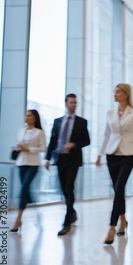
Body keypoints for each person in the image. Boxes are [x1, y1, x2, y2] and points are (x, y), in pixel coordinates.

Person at [96, 84, 133, 245]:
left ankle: (112, 226)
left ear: (125, 94)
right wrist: (99, 154)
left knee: (118, 188)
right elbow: (107, 134)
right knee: (118, 190)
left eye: (117, 92)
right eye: (114, 91)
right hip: (112, 154)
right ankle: (123, 220)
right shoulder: (110, 113)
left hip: (128, 154)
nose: (114, 94)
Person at [45, 94, 90, 236]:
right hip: (60, 159)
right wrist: (47, 159)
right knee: (64, 189)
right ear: (66, 104)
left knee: (69, 186)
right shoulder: (57, 121)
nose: (73, 105)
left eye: (75, 102)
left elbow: (87, 140)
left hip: (73, 159)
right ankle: (72, 212)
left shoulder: (81, 122)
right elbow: (52, 141)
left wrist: (74, 145)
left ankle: (66, 222)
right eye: (71, 102)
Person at [11, 109, 47, 232]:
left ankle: (18, 218)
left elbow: (43, 148)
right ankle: (34, 207)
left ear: (34, 118)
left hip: (33, 164)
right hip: (21, 162)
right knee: (25, 190)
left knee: (24, 187)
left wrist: (29, 149)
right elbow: (19, 144)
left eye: (29, 115)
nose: (27, 117)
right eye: (26, 115)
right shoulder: (21, 131)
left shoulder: (40, 132)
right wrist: (19, 147)